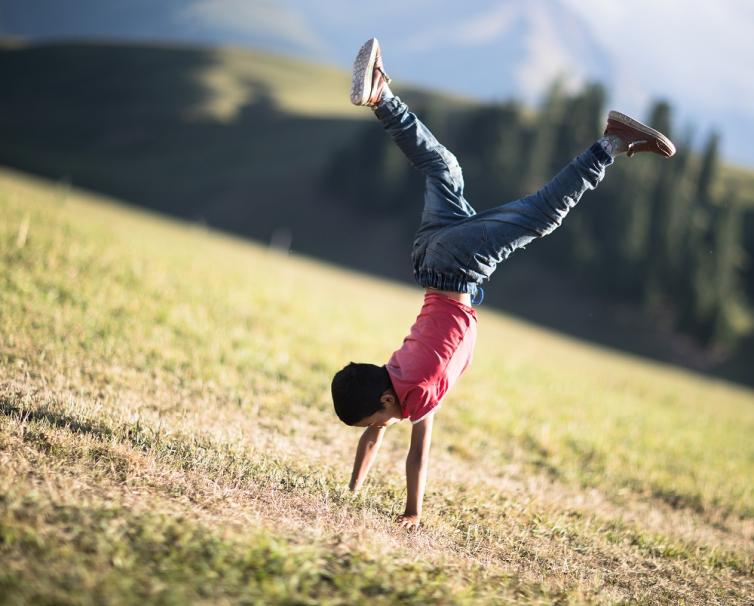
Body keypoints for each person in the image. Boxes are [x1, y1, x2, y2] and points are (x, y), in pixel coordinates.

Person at [331, 38, 675, 530]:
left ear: (385, 403)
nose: (377, 429)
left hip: (457, 269)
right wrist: (351, 493)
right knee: (442, 165)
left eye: (376, 419)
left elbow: (416, 455)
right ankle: (382, 96)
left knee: (540, 215)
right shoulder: (393, 375)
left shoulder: (418, 394)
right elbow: (375, 435)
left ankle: (611, 144)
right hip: (430, 260)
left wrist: (412, 512)